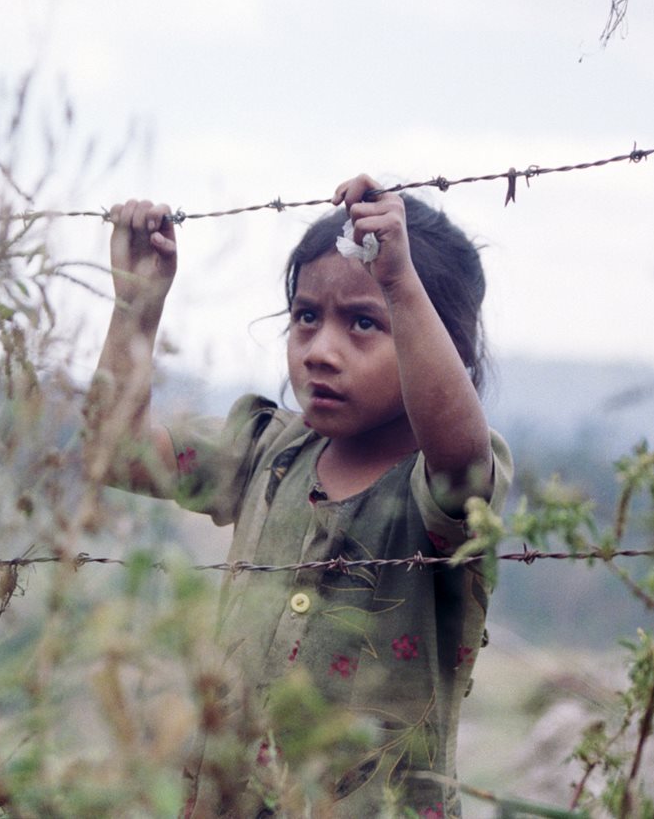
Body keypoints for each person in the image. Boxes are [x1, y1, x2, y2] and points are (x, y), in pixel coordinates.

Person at [84, 174, 513, 817]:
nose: (321, 351)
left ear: (440, 346)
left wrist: (401, 282)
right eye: (306, 317)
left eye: (365, 322)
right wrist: (137, 306)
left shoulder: (444, 486)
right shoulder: (269, 449)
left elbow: (462, 459)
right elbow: (116, 452)